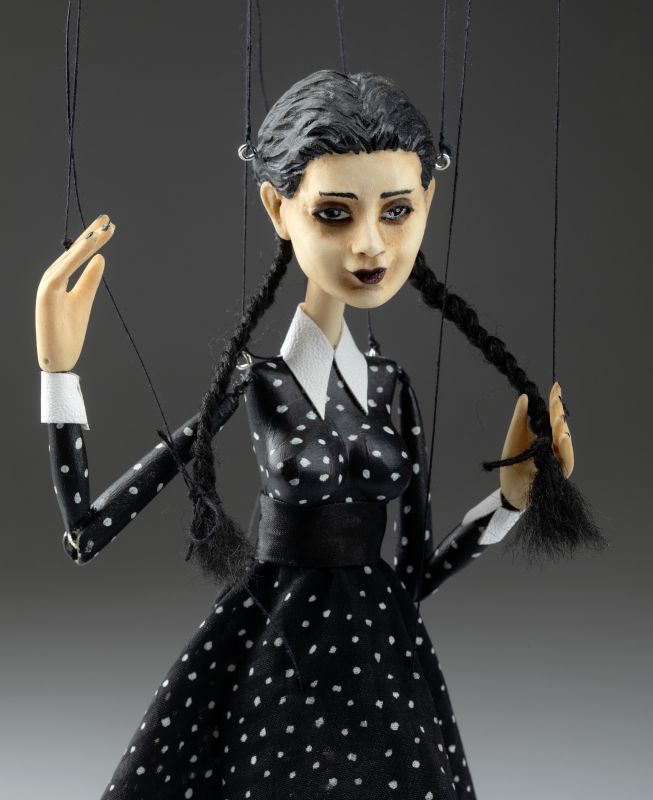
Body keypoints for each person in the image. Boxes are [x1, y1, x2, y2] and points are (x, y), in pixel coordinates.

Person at [36, 70, 574, 799]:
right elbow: (86, 531)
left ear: (427, 201)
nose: (369, 245)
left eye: (396, 211)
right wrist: (58, 372)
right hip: (272, 653)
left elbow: (413, 576)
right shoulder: (255, 385)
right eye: (333, 214)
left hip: (382, 664)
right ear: (277, 209)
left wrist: (507, 502)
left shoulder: (389, 387)